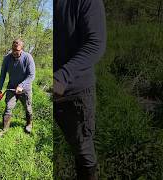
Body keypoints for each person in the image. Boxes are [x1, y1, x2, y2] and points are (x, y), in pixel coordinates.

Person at [54, 0, 106, 179]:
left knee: (82, 149)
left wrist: (62, 76)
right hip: (46, 87)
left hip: (74, 91)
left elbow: (95, 43)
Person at [0, 38, 35, 134]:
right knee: (8, 107)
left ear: (21, 49)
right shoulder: (7, 58)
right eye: (13, 49)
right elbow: (2, 74)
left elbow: (31, 75)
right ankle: (5, 129)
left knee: (28, 107)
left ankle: (29, 124)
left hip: (25, 89)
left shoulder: (28, 57)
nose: (14, 52)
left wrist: (21, 85)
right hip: (12, 87)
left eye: (17, 50)